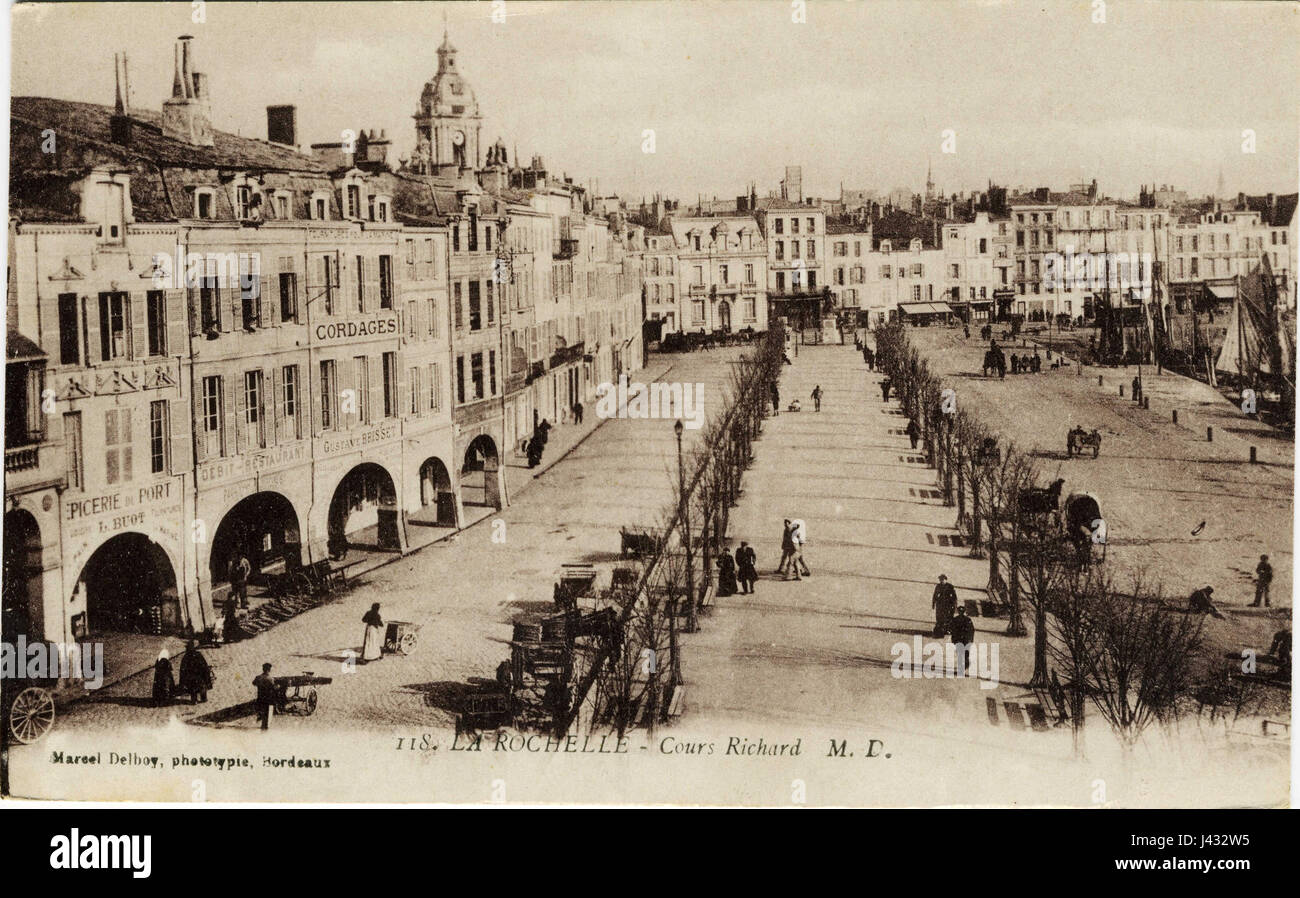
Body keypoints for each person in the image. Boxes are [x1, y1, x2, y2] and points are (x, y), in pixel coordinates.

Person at [178, 638, 214, 704]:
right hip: (199, 676)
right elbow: (204, 665)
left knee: (193, 688)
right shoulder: (198, 654)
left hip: (191, 677)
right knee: (202, 686)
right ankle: (204, 698)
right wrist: (206, 674)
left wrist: (183, 680)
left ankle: (194, 700)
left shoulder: (186, 656)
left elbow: (182, 669)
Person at [949, 606, 975, 676]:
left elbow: (971, 630)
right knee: (961, 654)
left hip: (964, 639)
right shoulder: (965, 619)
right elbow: (952, 630)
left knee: (964, 654)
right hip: (961, 639)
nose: (960, 613)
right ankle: (962, 668)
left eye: (961, 612)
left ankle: (965, 665)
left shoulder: (957, 619)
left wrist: (971, 639)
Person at [253, 663, 277, 730]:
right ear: (269, 670)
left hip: (260, 697)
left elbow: (254, 683)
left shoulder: (258, 677)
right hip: (267, 698)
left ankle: (260, 719)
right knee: (266, 712)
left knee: (261, 709)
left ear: (263, 669)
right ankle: (264, 727)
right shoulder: (270, 679)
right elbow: (273, 687)